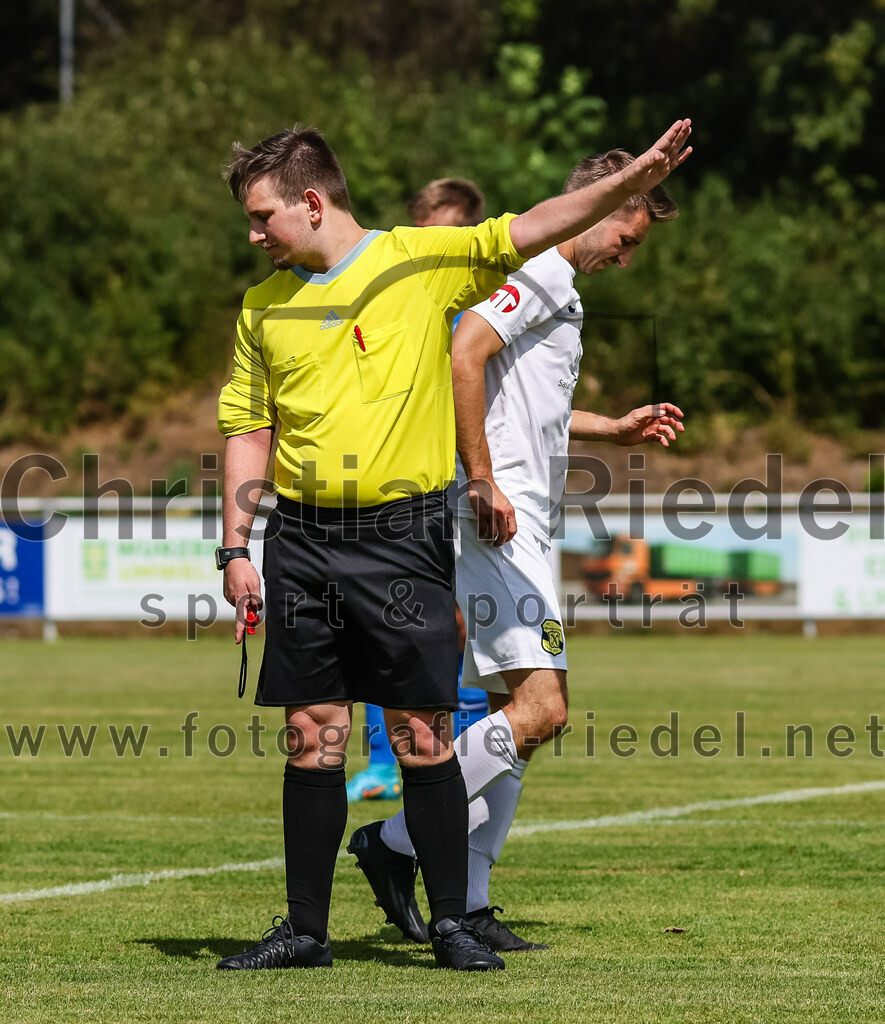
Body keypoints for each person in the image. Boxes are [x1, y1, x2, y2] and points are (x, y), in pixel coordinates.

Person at [215, 122, 692, 973]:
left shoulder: (417, 259)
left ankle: (452, 921)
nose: (253, 235)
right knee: (314, 731)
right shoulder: (261, 306)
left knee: (425, 733)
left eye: (261, 217)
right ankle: (308, 928)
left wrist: (633, 183)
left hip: (401, 533)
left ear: (311, 201)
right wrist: (235, 547)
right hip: (307, 534)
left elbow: (530, 226)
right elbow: (248, 426)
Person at [349, 148, 686, 952]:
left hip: (521, 515)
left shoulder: (556, 287)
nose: (625, 257)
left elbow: (515, 392)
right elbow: (467, 348)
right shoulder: (538, 269)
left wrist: (611, 425)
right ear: (598, 207)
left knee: (518, 712)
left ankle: (465, 900)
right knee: (544, 710)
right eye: (627, 237)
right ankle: (393, 845)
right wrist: (482, 478)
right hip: (497, 516)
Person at [347, 177, 490, 805]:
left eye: (453, 236)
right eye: (430, 235)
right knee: (391, 625)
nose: (440, 248)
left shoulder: (485, 303)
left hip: (469, 483)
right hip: (403, 488)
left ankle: (471, 747)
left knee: (467, 622)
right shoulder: (390, 297)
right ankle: (383, 759)